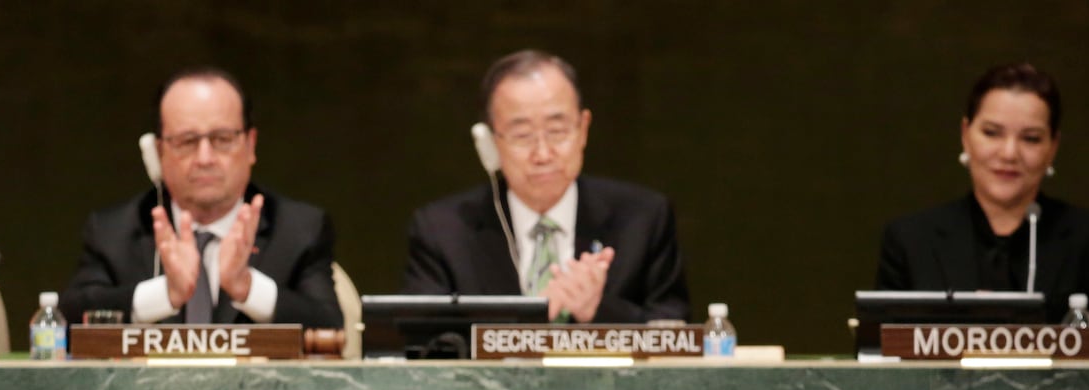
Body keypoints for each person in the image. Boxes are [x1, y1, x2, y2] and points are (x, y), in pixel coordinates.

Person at [401, 50, 690, 324]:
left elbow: (674, 334)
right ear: (490, 144)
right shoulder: (443, 231)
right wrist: (529, 320)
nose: (543, 154)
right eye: (522, 135)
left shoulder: (643, 218)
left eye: (557, 132)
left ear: (583, 129)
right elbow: (426, 348)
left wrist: (597, 310)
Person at [875, 62, 1089, 345]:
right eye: (992, 133)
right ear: (966, 135)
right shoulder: (910, 240)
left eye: (1031, 138)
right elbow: (878, 360)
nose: (1009, 153)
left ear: (1053, 147)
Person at [60, 68, 341, 328]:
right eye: (187, 141)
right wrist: (164, 294)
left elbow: (331, 326)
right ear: (159, 153)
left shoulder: (299, 230)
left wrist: (247, 287)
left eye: (222, 139)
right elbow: (67, 320)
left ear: (250, 145)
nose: (205, 159)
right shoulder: (114, 232)